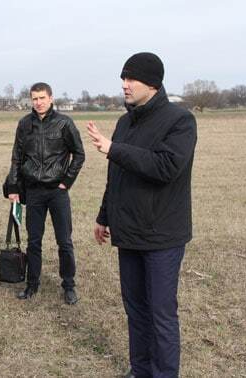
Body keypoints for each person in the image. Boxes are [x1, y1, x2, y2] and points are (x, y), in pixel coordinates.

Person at [87, 52, 197, 378]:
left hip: (162, 234)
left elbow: (166, 167)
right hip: (128, 232)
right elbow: (117, 175)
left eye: (131, 78)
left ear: (152, 83)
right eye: (123, 78)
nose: (124, 85)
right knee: (135, 310)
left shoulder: (180, 120)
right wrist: (104, 215)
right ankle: (140, 370)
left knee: (161, 313)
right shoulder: (125, 122)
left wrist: (113, 148)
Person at [5, 82, 85, 304]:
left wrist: (66, 182)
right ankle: (32, 284)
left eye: (42, 98)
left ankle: (68, 285)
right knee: (34, 241)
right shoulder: (24, 124)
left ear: (51, 98)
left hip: (57, 192)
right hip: (34, 192)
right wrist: (13, 187)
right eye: (34, 98)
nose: (38, 102)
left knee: (64, 241)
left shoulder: (64, 123)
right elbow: (16, 158)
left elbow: (79, 154)